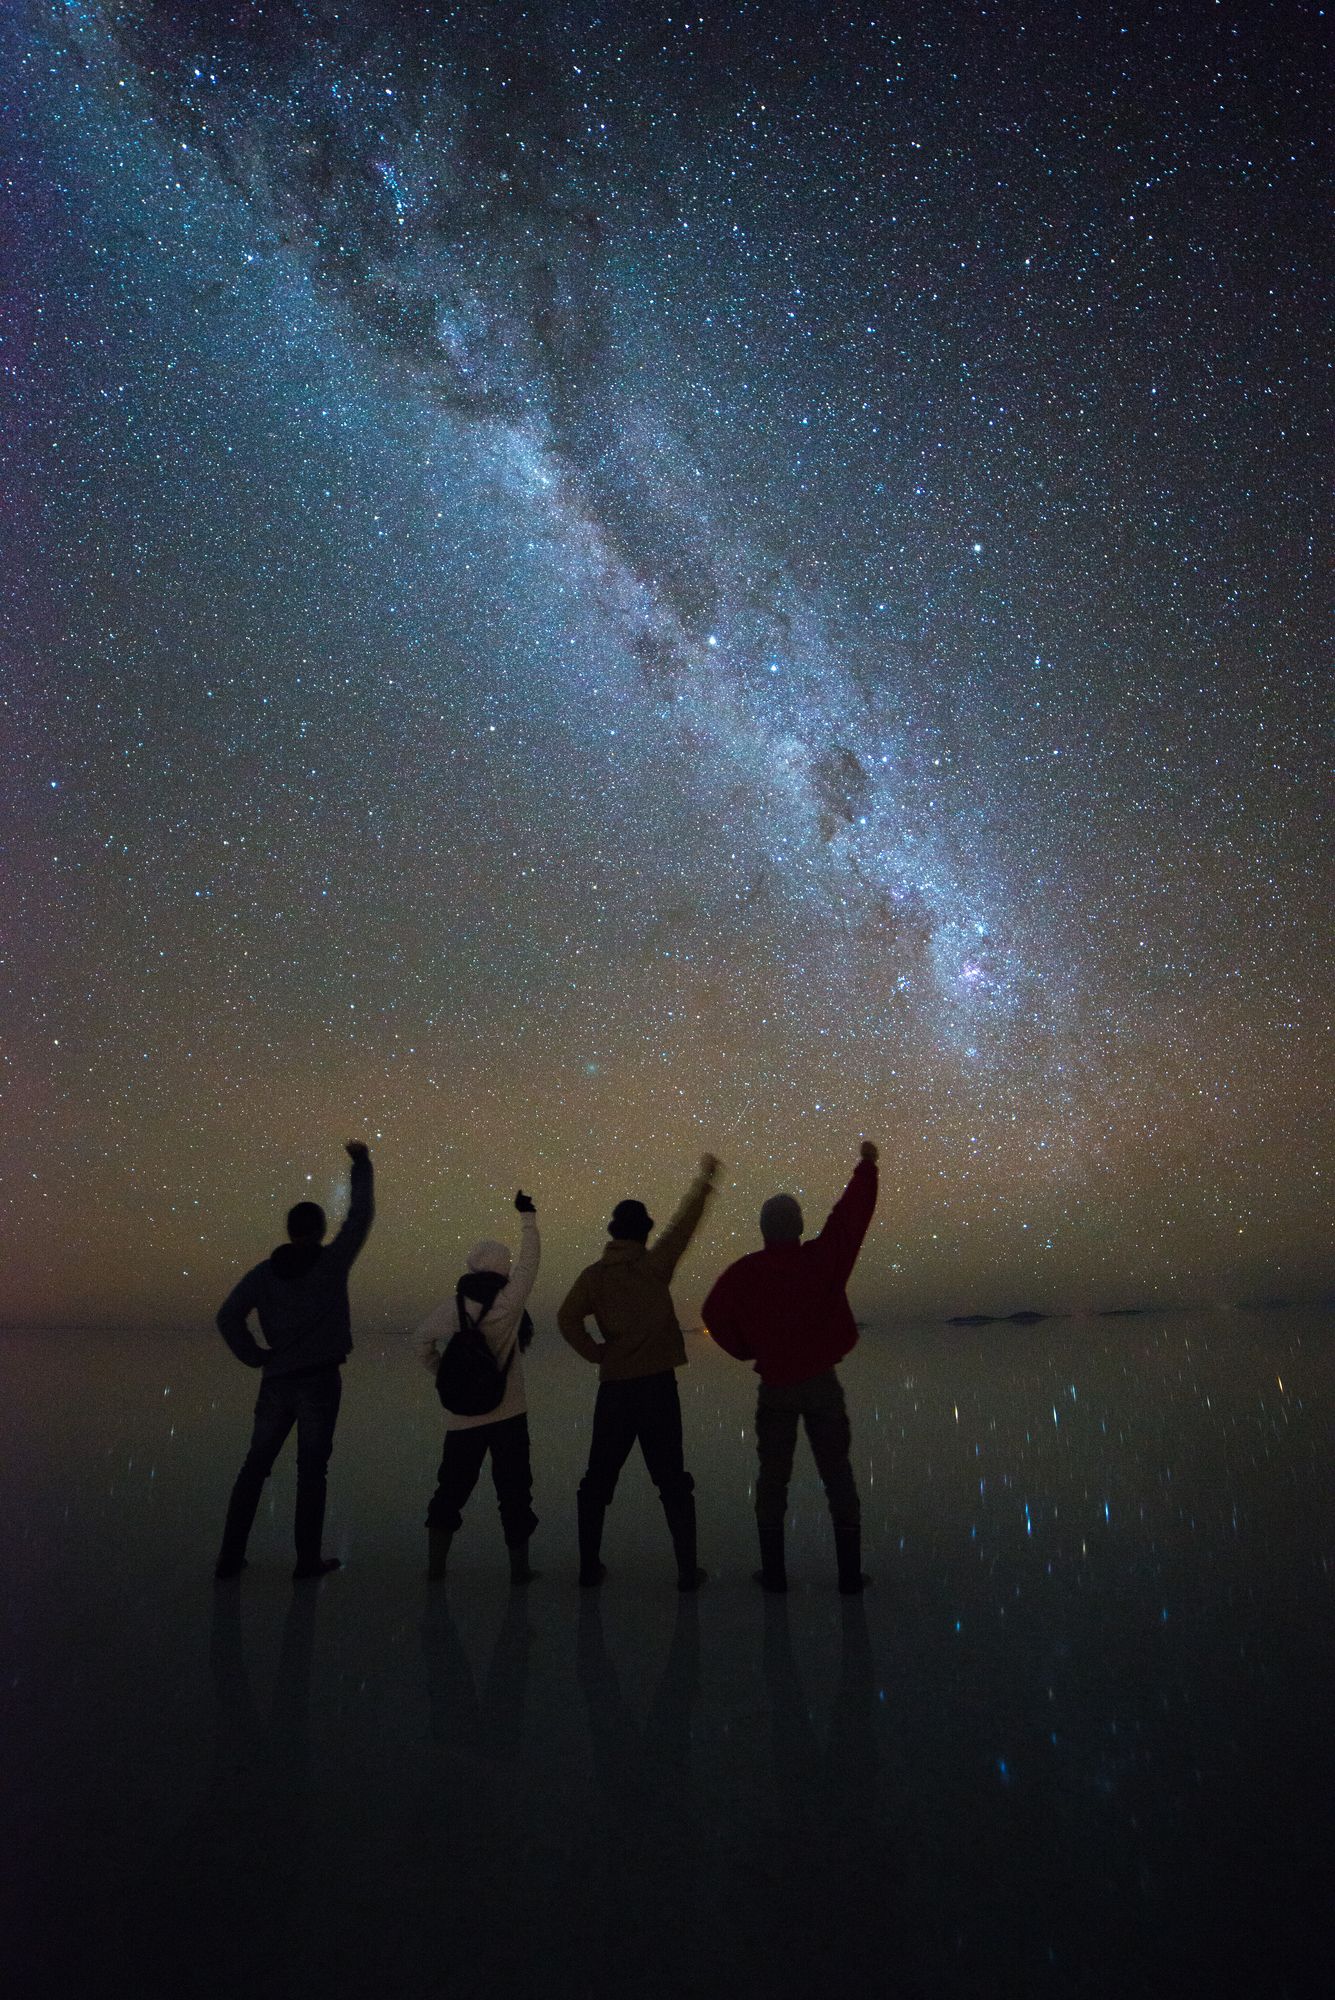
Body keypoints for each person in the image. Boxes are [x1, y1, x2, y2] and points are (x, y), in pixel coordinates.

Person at [701, 1141, 878, 1593]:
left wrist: (746, 1349)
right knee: (837, 1473)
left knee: (773, 1478)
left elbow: (713, 1314)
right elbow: (849, 1218)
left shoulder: (745, 1273)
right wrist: (866, 1168)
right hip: (821, 1384)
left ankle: (774, 1574)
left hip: (776, 1387)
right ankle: (849, 1575)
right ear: (799, 1227)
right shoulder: (821, 1260)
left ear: (763, 1230)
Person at [214, 1139, 375, 1581]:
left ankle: (230, 1557)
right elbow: (360, 1217)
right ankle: (306, 1561)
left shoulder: (264, 1274)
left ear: (289, 1231)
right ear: (322, 1230)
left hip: (276, 1381)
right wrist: (361, 1164)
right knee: (311, 1472)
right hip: (320, 1383)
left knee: (255, 1466)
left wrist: (255, 1356)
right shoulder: (330, 1263)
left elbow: (228, 1317)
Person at [558, 1155, 720, 1590]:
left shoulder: (594, 1277)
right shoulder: (653, 1266)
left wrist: (596, 1353)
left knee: (597, 1481)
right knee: (672, 1481)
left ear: (613, 1234)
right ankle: (687, 1571)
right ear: (644, 1232)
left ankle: (588, 1567)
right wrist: (703, 1182)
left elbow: (566, 1319)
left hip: (614, 1391)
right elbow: (684, 1226)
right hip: (657, 1389)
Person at [416, 1190, 541, 1584]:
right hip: (509, 1413)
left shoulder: (453, 1308)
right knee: (514, 1493)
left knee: (450, 1490)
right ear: (503, 1270)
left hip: (461, 1419)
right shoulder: (509, 1303)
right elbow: (531, 1261)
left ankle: (436, 1568)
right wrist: (528, 1217)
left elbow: (419, 1342)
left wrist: (440, 1372)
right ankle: (519, 1572)